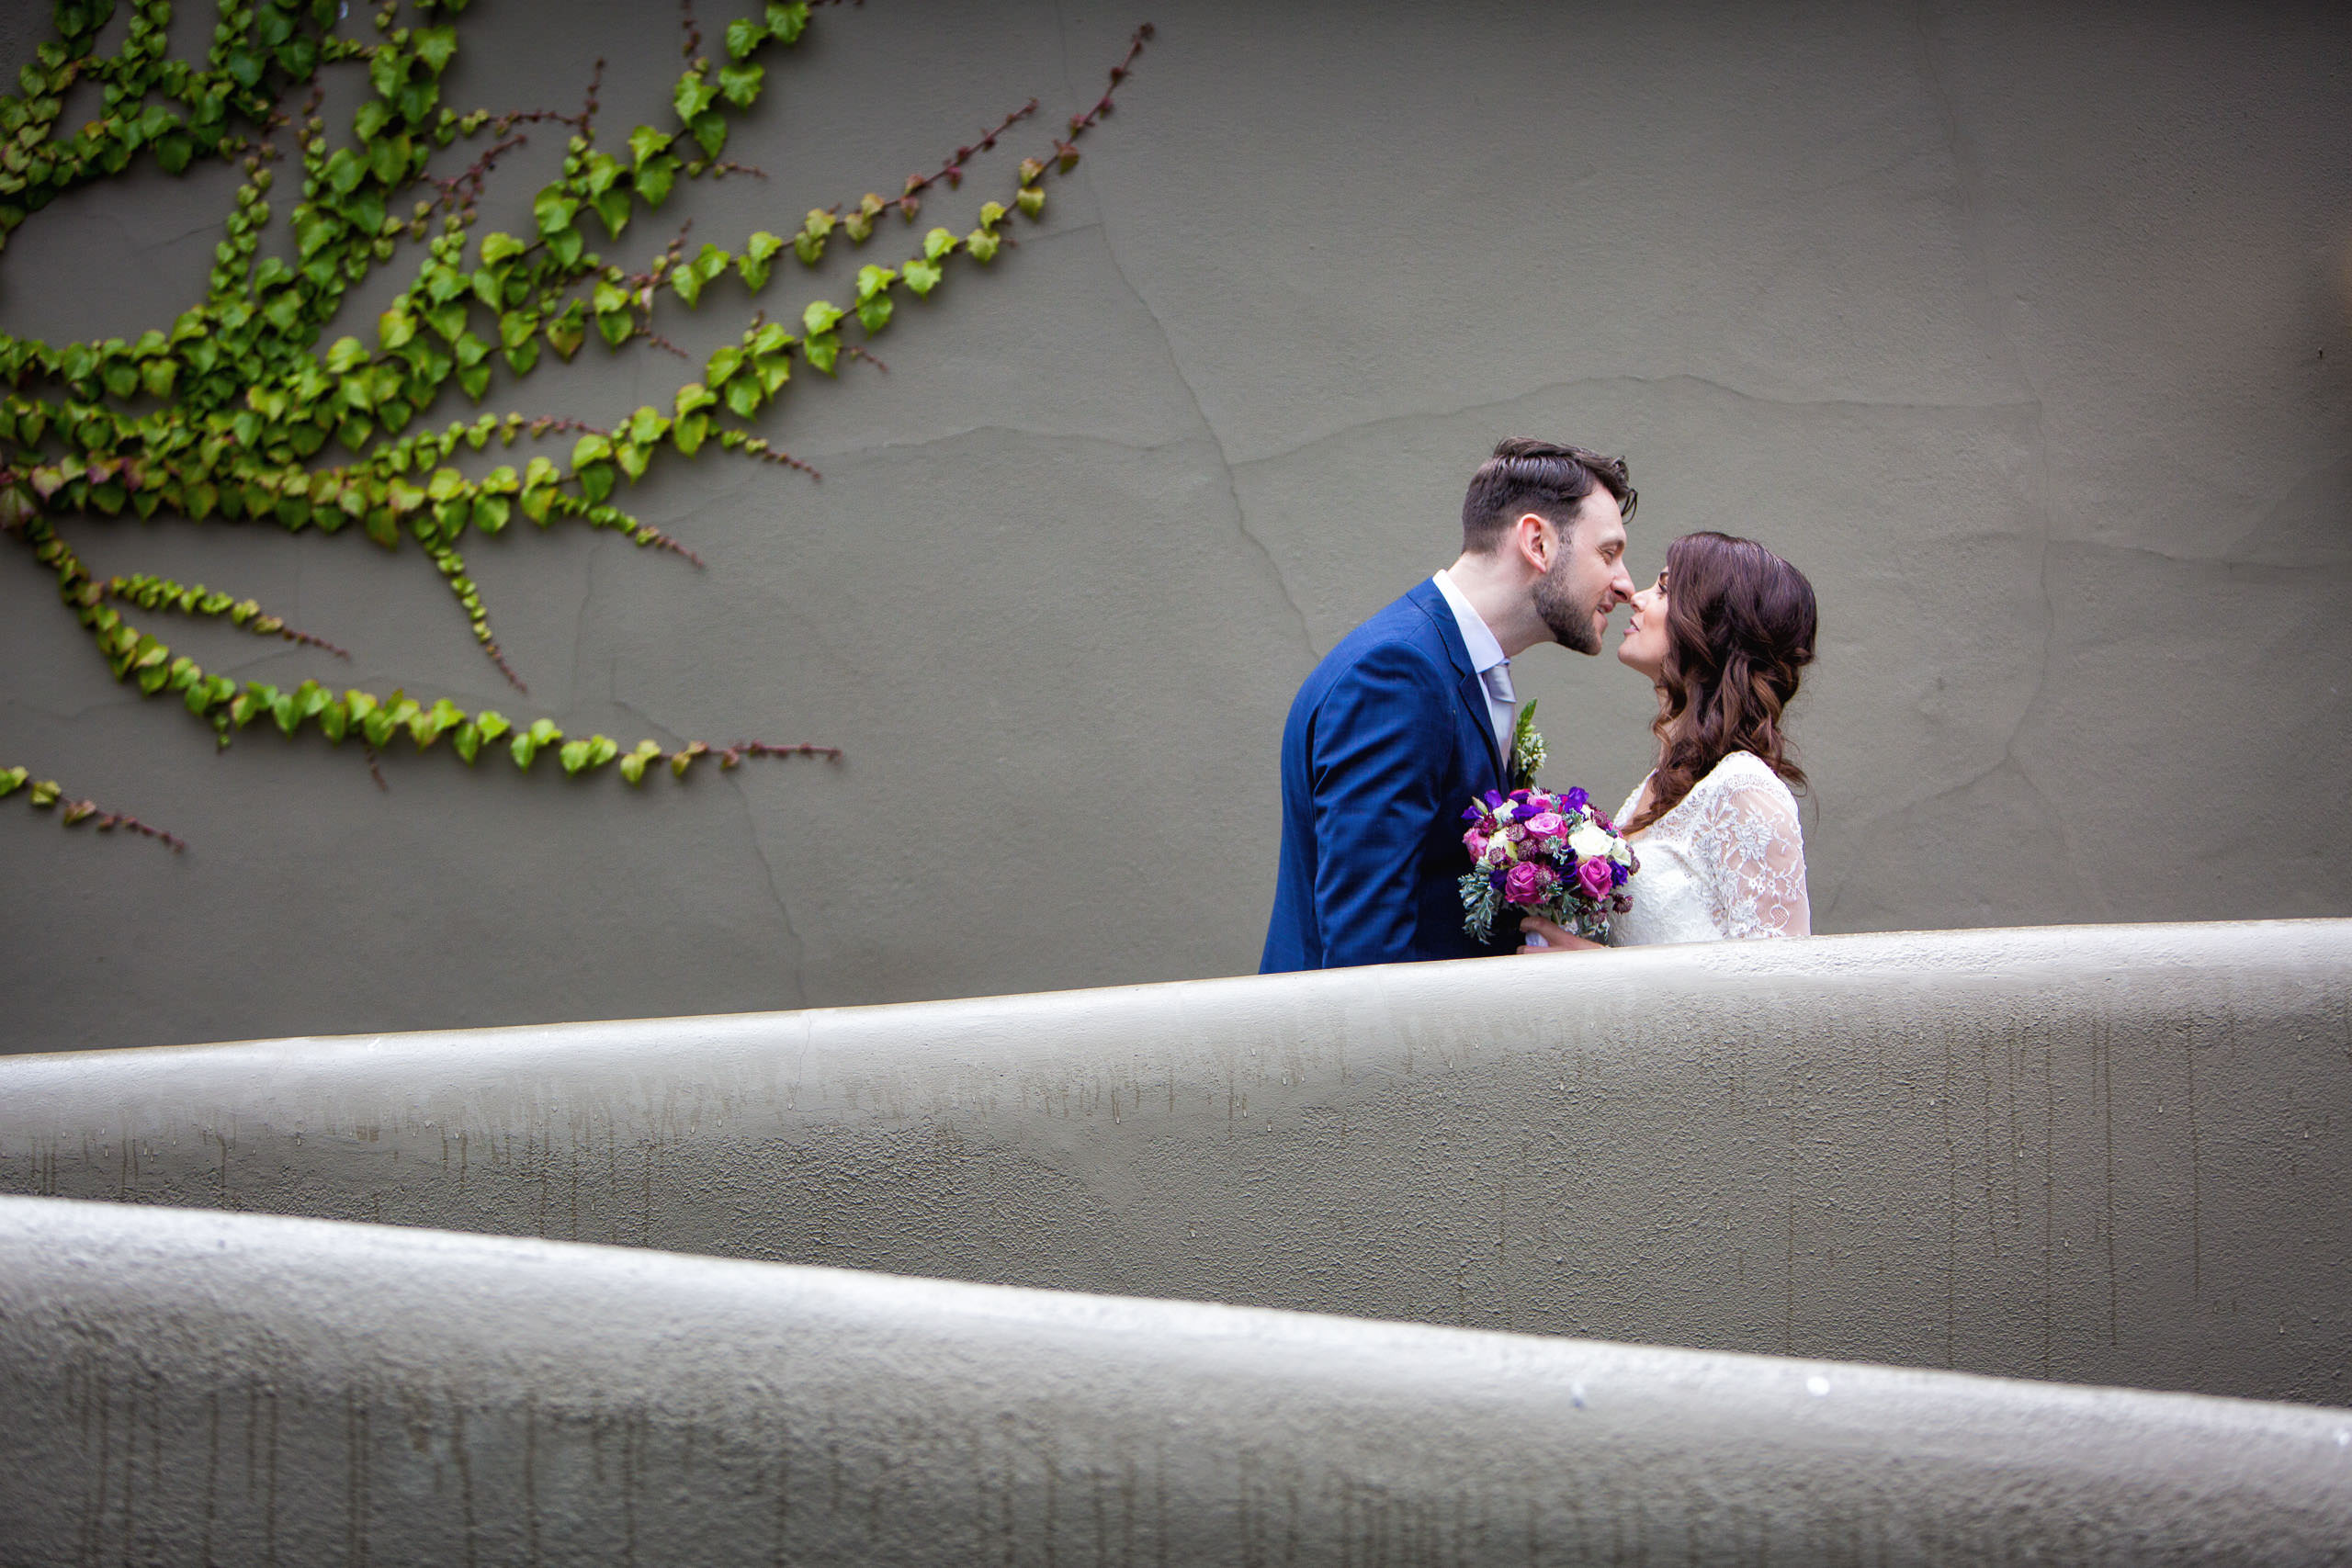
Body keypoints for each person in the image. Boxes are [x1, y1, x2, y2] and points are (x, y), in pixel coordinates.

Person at [1261, 437, 1637, 972]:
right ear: (1537, 542)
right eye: (1609, 552)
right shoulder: (1397, 676)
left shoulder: (1457, 665)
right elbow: (1363, 953)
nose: (1625, 583)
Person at [1518, 530, 1817, 952]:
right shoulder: (1657, 786)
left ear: (1714, 626)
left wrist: (1601, 974)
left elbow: (1776, 993)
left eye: (1664, 589)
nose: (1636, 598)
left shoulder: (1745, 789)